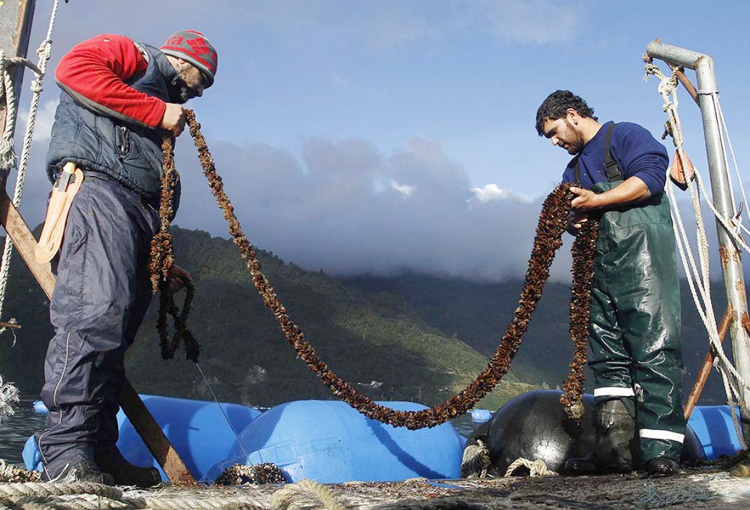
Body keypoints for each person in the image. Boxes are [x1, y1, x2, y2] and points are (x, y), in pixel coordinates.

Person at [34, 30, 218, 486]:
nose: (199, 93)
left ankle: (97, 447)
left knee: (117, 334)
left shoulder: (158, 114)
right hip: (100, 191)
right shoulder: (131, 54)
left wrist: (160, 257)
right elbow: (72, 70)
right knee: (95, 314)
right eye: (203, 80)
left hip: (138, 215)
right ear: (183, 59)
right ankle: (65, 449)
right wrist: (158, 111)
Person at [535, 90, 685, 476]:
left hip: (643, 262)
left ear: (572, 115)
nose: (555, 142)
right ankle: (613, 451)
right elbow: (576, 214)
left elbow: (649, 180)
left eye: (555, 132)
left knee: (653, 348)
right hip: (599, 271)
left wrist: (596, 202)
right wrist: (573, 220)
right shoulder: (573, 170)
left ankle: (661, 451)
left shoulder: (625, 135)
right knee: (608, 359)